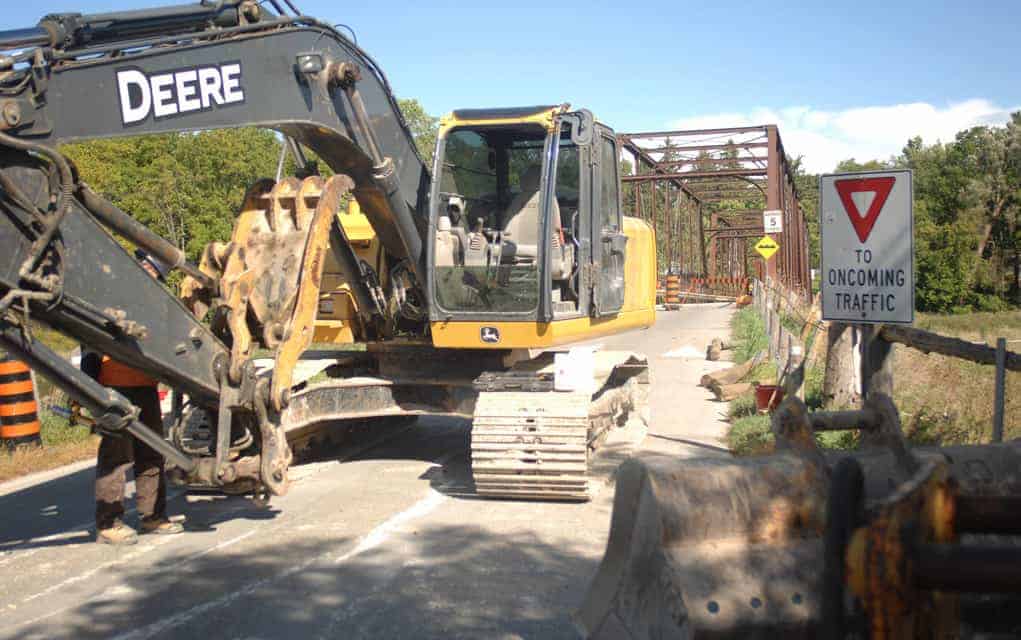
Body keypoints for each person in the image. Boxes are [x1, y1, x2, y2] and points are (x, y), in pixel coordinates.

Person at [82, 250, 183, 545]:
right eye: (149, 269)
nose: (151, 276)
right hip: (114, 388)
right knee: (116, 457)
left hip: (145, 386)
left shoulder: (153, 303)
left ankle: (152, 516)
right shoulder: (111, 294)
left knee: (152, 451)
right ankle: (109, 523)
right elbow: (90, 342)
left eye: (156, 274)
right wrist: (90, 390)